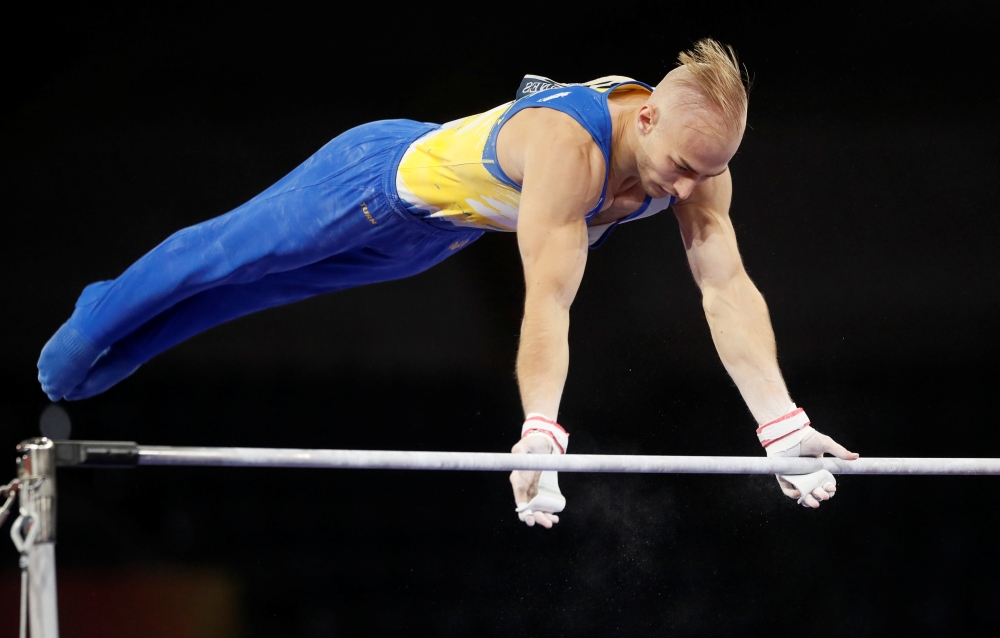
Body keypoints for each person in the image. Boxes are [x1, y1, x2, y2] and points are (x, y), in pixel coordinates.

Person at [36, 38, 858, 528]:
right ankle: (87, 324)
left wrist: (780, 425)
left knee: (261, 293)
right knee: (224, 257)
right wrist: (542, 429)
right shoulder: (567, 149)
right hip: (372, 178)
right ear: (645, 117)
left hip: (433, 239)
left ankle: (114, 346)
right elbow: (549, 295)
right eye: (681, 168)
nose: (686, 190)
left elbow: (726, 288)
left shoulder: (701, 168)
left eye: (705, 174)